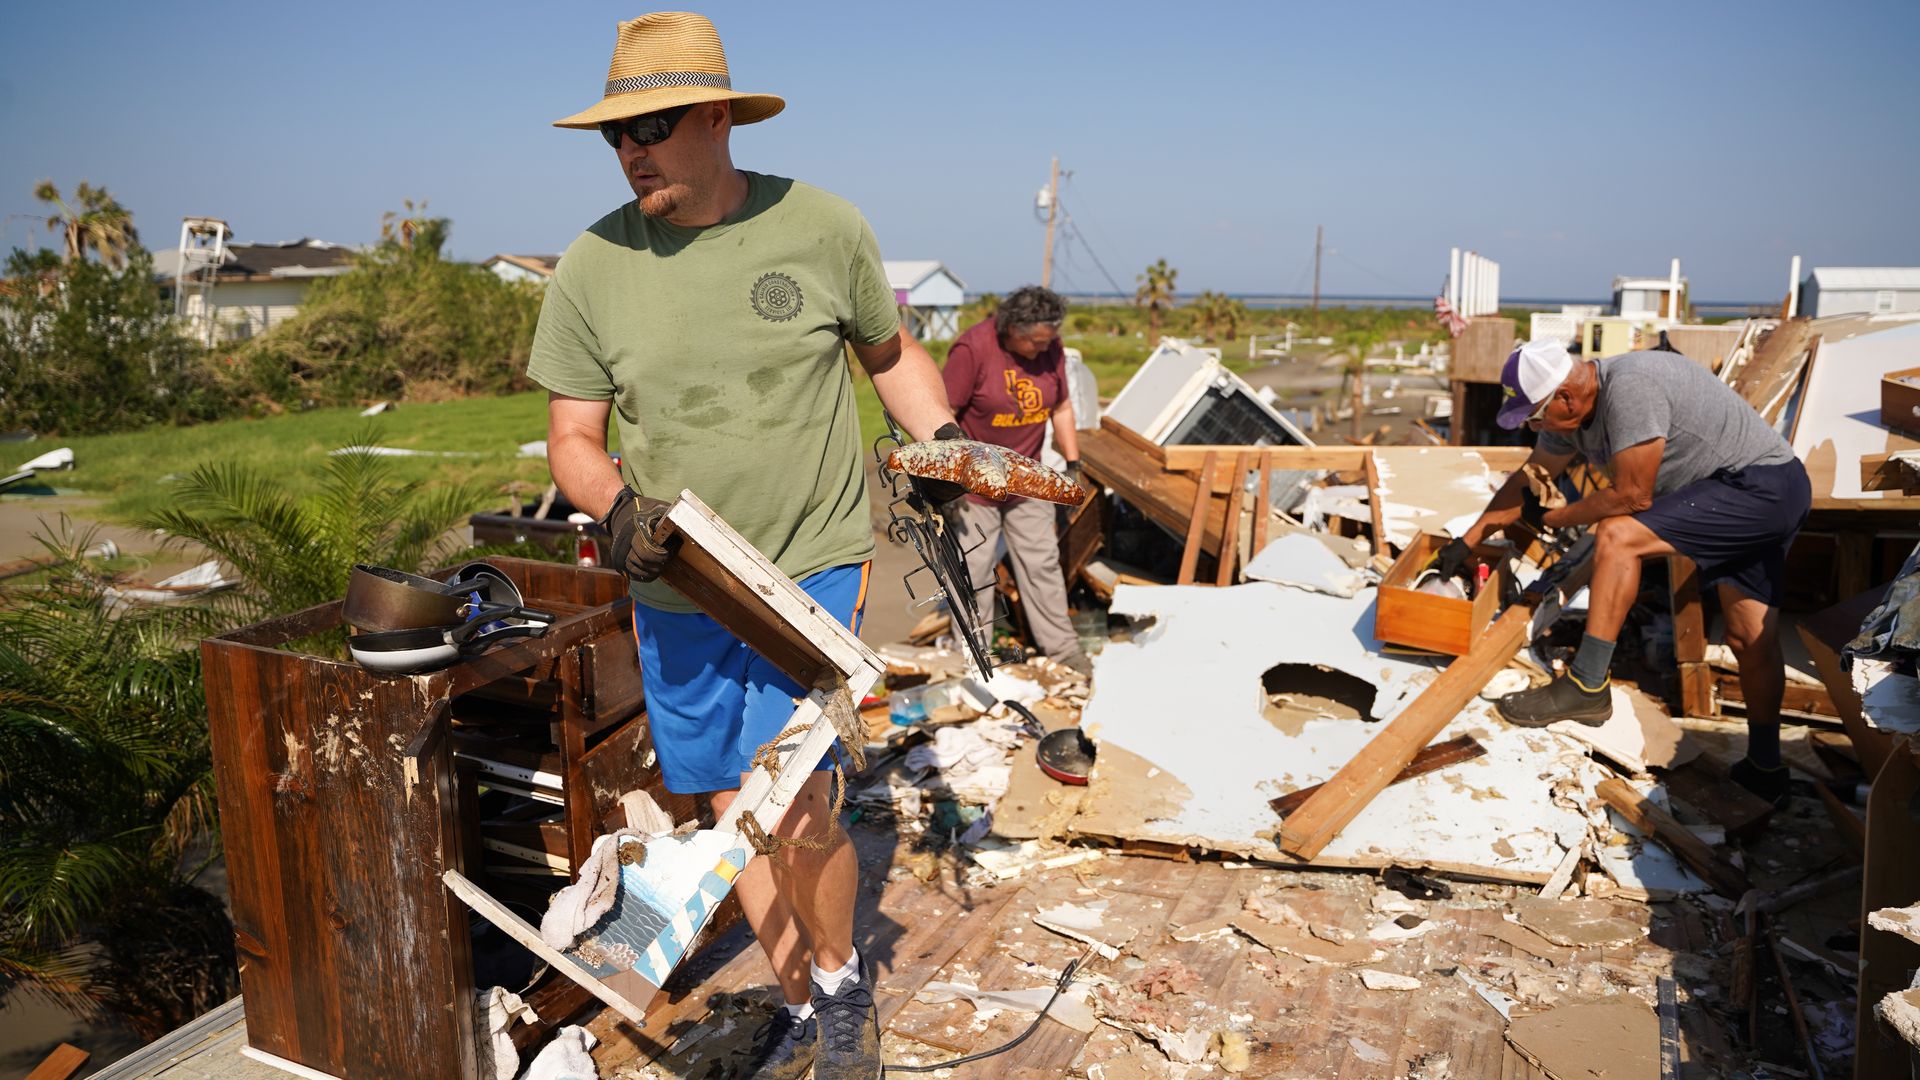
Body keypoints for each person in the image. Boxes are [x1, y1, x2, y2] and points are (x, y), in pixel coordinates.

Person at [526, 15, 963, 1079]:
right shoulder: (592, 266)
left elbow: (889, 354)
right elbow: (575, 441)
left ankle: (844, 987)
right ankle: (802, 996)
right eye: (615, 135)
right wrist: (613, 507)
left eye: (655, 126)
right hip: (675, 586)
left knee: (798, 800)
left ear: (717, 117)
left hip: (806, 568)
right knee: (732, 804)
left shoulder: (820, 228)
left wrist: (943, 445)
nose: (632, 151)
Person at [1442, 339, 1810, 804]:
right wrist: (1466, 541)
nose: (1535, 428)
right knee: (1748, 636)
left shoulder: (1630, 389)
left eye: (1536, 416)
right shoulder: (1566, 417)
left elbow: (1634, 496)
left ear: (1565, 398)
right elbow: (1530, 477)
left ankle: (1586, 685)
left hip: (1762, 487)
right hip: (1750, 489)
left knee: (1617, 535)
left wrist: (1554, 519)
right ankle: (1765, 766)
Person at [941, 285, 1094, 676]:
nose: (1040, 350)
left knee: (1042, 563)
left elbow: (1060, 406)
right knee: (974, 569)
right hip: (974, 484)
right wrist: (951, 478)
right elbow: (943, 414)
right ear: (1010, 327)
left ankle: (1063, 651)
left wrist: (1072, 462)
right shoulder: (973, 349)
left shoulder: (1051, 348)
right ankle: (974, 655)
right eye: (1032, 341)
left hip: (1027, 479)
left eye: (1047, 341)